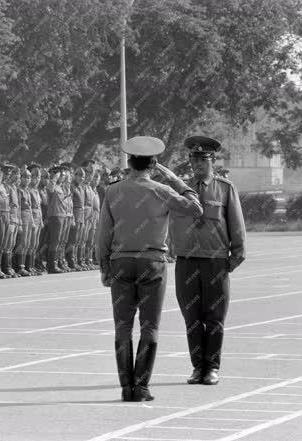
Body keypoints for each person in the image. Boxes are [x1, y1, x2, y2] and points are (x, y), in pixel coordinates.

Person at [98, 136, 203, 402]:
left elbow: (103, 233)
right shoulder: (162, 190)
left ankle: (125, 387)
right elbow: (196, 208)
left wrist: (104, 266)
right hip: (152, 263)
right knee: (149, 327)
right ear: (154, 164)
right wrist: (176, 181)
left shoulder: (113, 190)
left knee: (122, 327)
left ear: (129, 162)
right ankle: (141, 387)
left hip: (121, 262)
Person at [170, 135, 246, 386]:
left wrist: (235, 257)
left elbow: (236, 224)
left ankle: (212, 367)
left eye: (203, 159)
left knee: (214, 318)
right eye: (193, 159)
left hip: (215, 262)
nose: (197, 164)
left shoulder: (225, 188)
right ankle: (197, 367)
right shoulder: (181, 188)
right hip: (187, 261)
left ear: (212, 160)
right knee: (191, 317)